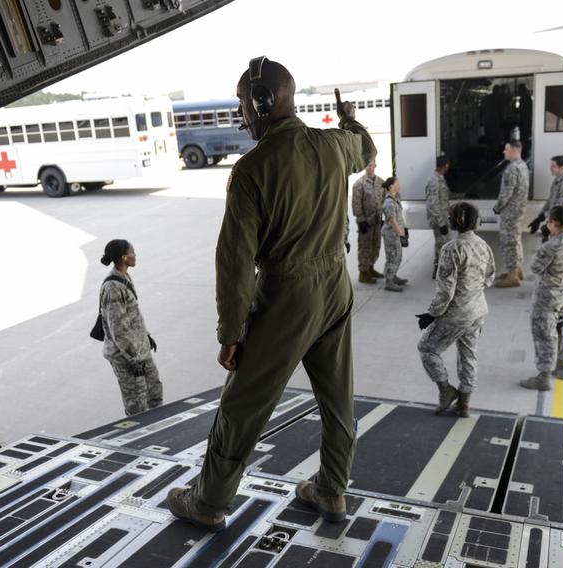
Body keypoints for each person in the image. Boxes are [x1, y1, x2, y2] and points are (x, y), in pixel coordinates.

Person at [165, 58, 376, 531]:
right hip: (336, 286)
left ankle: (209, 501)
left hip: (287, 294)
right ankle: (331, 489)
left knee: (243, 404)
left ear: (261, 103)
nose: (241, 114)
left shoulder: (252, 169)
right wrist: (348, 117)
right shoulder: (331, 143)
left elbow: (236, 263)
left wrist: (232, 332)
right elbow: (365, 147)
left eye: (243, 103)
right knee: (338, 397)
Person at [416, 203, 495, 417]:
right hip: (478, 311)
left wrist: (431, 314)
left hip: (456, 315)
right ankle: (464, 404)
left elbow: (445, 291)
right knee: (468, 355)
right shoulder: (483, 245)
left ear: (454, 222)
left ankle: (446, 391)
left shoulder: (451, 249)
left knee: (427, 349)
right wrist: (472, 290)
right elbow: (490, 277)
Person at [520, 207, 563, 391]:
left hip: (548, 297)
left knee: (544, 335)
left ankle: (543, 376)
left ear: (554, 222)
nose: (547, 225)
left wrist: (546, 240)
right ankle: (561, 367)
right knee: (561, 327)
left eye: (548, 222)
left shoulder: (551, 246)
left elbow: (535, 268)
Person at [99, 239, 163, 416]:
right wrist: (134, 359)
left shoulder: (124, 277)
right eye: (133, 252)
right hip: (127, 358)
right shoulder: (112, 287)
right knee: (137, 405)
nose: (136, 255)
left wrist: (145, 336)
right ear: (124, 257)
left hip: (140, 350)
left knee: (155, 394)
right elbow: (118, 329)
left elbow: (132, 316)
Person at [493, 140, 530, 288]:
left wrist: (498, 207)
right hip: (519, 209)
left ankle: (512, 276)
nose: (504, 151)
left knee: (509, 242)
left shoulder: (512, 169)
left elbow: (507, 193)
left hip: (510, 211)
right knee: (516, 239)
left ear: (515, 150)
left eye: (506, 149)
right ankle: (517, 270)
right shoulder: (523, 165)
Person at [352, 160, 385, 284]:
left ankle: (370, 268)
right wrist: (360, 220)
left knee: (375, 246)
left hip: (377, 221)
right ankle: (363, 273)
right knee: (364, 247)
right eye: (367, 165)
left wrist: (384, 217)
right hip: (366, 222)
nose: (368, 167)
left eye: (370, 165)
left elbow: (384, 200)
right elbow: (356, 203)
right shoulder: (359, 184)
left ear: (375, 166)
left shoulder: (381, 182)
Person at [528, 155, 563, 238]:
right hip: (553, 220)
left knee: (555, 248)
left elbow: (559, 206)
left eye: (553, 166)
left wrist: (545, 219)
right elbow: (551, 201)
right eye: (551, 166)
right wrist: (539, 218)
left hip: (560, 223)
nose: (551, 168)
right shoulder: (557, 180)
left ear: (562, 167)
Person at [426, 154, 451, 279]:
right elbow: (433, 204)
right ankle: (438, 271)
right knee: (442, 245)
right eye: (448, 165)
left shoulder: (440, 178)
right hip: (438, 221)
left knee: (443, 244)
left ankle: (440, 270)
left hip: (443, 219)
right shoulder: (434, 181)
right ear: (445, 166)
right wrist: (441, 223)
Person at [382, 176, 410, 292]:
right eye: (397, 184)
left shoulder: (395, 199)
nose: (399, 186)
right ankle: (389, 281)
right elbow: (392, 220)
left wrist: (404, 230)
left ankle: (393, 276)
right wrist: (401, 234)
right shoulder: (389, 202)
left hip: (395, 233)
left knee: (397, 256)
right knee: (393, 257)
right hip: (391, 234)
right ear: (391, 186)